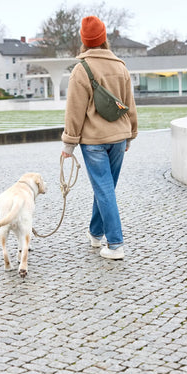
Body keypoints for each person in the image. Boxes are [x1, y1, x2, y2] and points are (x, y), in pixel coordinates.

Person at [61, 16, 138, 260]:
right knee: (105, 188)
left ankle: (115, 244)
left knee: (104, 189)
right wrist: (130, 134)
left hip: (93, 141)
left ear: (85, 42)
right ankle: (95, 234)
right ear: (104, 38)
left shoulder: (81, 70)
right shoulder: (120, 67)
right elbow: (129, 104)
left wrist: (68, 144)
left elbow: (74, 110)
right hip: (117, 139)